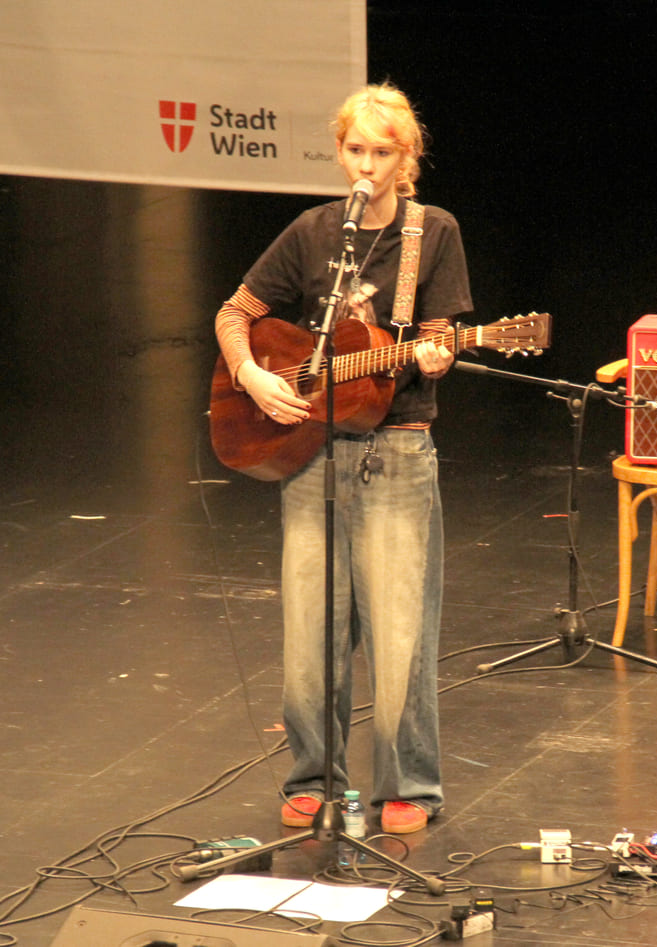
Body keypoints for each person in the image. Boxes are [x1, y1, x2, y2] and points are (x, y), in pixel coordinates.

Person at [215, 83, 473, 835]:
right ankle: (312, 773)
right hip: (313, 454)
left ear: (407, 158)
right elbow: (237, 313)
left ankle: (409, 785)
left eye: (381, 153)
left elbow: (439, 339)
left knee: (398, 636)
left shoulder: (435, 232)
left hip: (398, 449)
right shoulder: (314, 230)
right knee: (310, 632)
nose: (366, 165)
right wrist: (254, 375)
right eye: (354, 150)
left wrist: (434, 354)